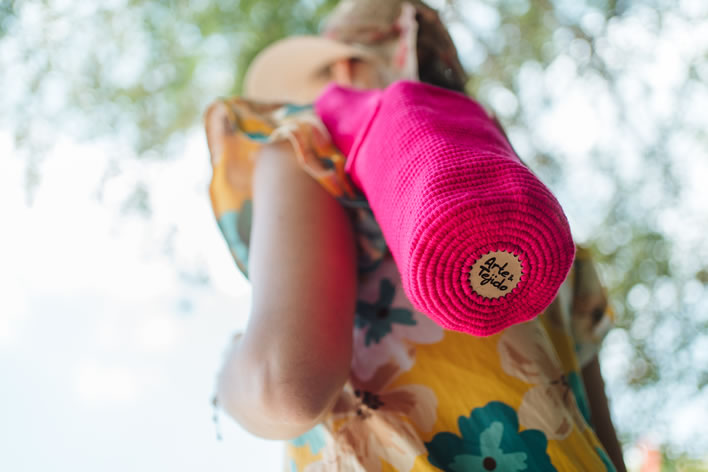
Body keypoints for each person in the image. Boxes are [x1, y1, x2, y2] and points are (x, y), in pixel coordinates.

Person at [204, 0, 627, 470]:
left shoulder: (307, 148)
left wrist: (229, 371)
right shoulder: (547, 245)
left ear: (344, 65)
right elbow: (605, 446)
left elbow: (283, 388)